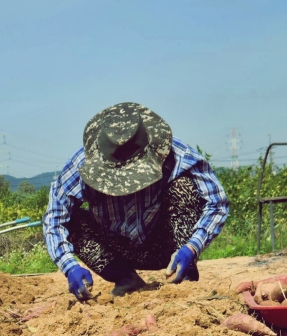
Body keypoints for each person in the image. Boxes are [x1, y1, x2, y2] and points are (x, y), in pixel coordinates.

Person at [42, 102, 230, 301]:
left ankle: (183, 277)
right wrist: (68, 265)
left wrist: (192, 247)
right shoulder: (81, 166)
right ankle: (126, 279)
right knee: (74, 220)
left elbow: (217, 203)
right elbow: (54, 219)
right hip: (116, 248)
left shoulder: (176, 155)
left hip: (165, 243)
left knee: (183, 187)